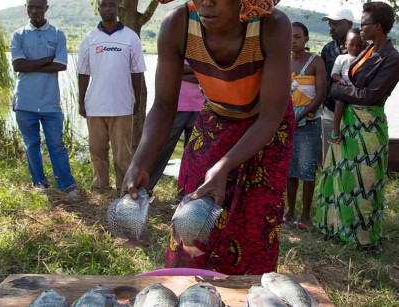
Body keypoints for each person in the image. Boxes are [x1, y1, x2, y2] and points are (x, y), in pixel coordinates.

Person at [123, 0, 294, 275]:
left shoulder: (272, 25)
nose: (206, 1)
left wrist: (224, 166)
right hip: (216, 118)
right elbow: (165, 105)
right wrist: (140, 162)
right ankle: (189, 287)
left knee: (254, 221)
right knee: (192, 213)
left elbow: (271, 116)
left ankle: (244, 295)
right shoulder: (177, 25)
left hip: (268, 128)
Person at [316, 1, 399, 255]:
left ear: (379, 26)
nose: (360, 29)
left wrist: (339, 89)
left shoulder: (392, 58)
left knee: (365, 183)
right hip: (350, 123)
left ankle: (364, 238)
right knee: (341, 176)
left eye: (364, 25)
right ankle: (338, 229)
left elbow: (370, 95)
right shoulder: (367, 51)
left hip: (368, 128)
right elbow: (354, 86)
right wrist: (342, 91)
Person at [10, 0, 80, 201]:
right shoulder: (18, 35)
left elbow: (61, 65)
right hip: (24, 102)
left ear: (46, 9)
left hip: (51, 103)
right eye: (30, 7)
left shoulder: (57, 34)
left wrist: (30, 66)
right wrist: (47, 59)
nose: (34, 11)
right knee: (31, 144)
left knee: (56, 144)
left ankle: (67, 185)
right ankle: (39, 182)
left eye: (38, 7)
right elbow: (18, 65)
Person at [77, 0, 146, 194]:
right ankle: (100, 186)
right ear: (99, 9)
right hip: (95, 105)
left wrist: (136, 100)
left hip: (122, 105)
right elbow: (83, 73)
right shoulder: (90, 38)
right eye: (104, 5)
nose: (107, 9)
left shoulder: (130, 38)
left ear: (117, 8)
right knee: (97, 151)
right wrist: (81, 101)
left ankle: (124, 188)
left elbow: (137, 72)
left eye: (111, 5)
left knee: (122, 154)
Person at [284, 22, 326, 230]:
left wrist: (301, 116)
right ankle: (289, 210)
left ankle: (306, 214)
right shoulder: (283, 61)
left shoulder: (315, 61)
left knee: (307, 170)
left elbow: (320, 95)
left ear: (307, 39)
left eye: (298, 37)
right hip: (287, 122)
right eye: (289, 36)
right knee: (290, 170)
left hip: (308, 123)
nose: (293, 40)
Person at [148, 61, 204, 192]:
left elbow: (211, 74)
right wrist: (198, 72)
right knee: (161, 150)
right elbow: (167, 70)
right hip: (174, 106)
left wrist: (180, 72)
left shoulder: (204, 49)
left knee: (195, 156)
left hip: (201, 108)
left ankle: (187, 195)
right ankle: (145, 189)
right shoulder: (177, 46)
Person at [320, 8, 354, 162]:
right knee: (329, 158)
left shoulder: (365, 49)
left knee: (352, 158)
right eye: (330, 24)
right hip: (330, 112)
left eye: (336, 23)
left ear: (349, 24)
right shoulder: (328, 49)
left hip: (355, 113)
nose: (331, 27)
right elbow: (323, 81)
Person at [328, 28, 364, 143]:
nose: (355, 48)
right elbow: (333, 74)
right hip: (345, 87)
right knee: (339, 103)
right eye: (352, 45)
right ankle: (335, 130)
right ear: (346, 44)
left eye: (359, 46)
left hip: (357, 89)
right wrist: (340, 80)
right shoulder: (342, 58)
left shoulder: (364, 58)